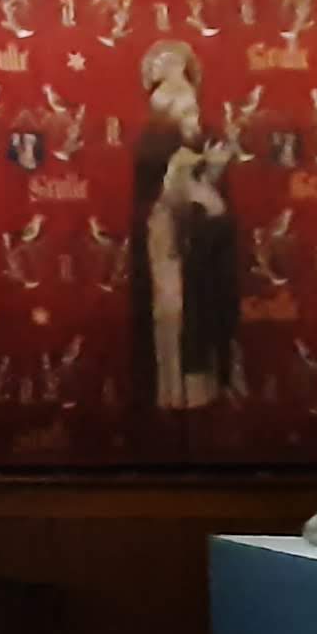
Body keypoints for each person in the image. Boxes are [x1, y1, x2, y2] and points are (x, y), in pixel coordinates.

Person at [132, 42, 239, 410]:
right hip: (166, 243)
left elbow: (206, 197)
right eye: (185, 111)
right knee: (172, 312)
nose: (192, 118)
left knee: (201, 313)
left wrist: (212, 173)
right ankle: (172, 390)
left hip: (200, 245)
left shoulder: (202, 139)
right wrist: (180, 178)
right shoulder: (154, 146)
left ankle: (202, 388)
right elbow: (160, 200)